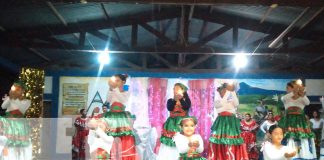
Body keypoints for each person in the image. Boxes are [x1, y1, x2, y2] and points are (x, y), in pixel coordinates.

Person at [208, 83, 248, 160]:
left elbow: (236, 104)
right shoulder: (217, 100)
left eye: (225, 91)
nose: (223, 93)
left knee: (232, 140)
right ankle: (221, 157)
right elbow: (221, 108)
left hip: (231, 122)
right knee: (220, 141)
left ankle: (231, 157)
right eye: (222, 91)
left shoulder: (231, 98)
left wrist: (232, 92)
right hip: (221, 123)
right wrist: (228, 93)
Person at [278, 80, 316, 159]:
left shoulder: (302, 98)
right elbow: (283, 98)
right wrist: (295, 92)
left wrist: (302, 94)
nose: (286, 89)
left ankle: (303, 155)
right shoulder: (286, 98)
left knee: (301, 138)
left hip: (300, 122)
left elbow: (308, 103)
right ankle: (291, 155)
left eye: (288, 88)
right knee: (290, 138)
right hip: (289, 121)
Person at [103, 74, 138, 159]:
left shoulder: (127, 90)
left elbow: (123, 100)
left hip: (121, 117)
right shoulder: (113, 90)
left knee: (122, 136)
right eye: (115, 80)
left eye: (118, 80)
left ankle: (122, 156)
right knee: (109, 137)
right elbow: (108, 100)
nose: (116, 82)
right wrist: (111, 89)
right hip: (111, 116)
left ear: (123, 82)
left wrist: (115, 89)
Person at [157, 83, 191, 160]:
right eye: (174, 88)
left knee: (182, 140)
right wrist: (175, 100)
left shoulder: (186, 100)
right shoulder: (170, 100)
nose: (175, 90)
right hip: (171, 123)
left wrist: (181, 99)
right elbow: (169, 107)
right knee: (171, 139)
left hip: (182, 123)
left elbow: (186, 106)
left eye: (177, 88)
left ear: (182, 90)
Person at [0, 80, 32, 160]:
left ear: (22, 91)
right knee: (6, 143)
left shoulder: (27, 101)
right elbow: (3, 106)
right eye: (14, 88)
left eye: (18, 89)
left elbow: (21, 109)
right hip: (8, 122)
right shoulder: (10, 98)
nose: (15, 90)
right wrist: (10, 97)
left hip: (19, 124)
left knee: (19, 146)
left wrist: (14, 98)